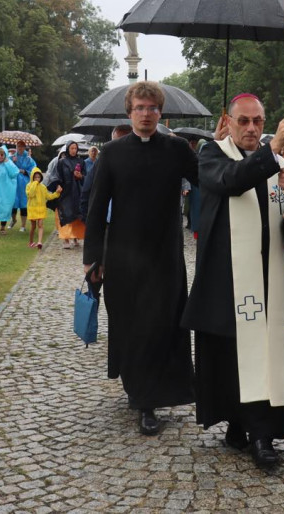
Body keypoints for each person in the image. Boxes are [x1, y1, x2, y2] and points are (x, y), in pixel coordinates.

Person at [182, 93, 284, 468]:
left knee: (263, 355)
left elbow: (279, 223)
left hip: (267, 278)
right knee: (231, 358)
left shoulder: (281, 164)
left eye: (258, 122)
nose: (252, 129)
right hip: (226, 280)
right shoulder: (212, 155)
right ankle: (237, 422)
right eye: (244, 121)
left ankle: (262, 434)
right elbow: (233, 182)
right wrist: (274, 150)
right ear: (229, 122)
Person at [84, 81, 198, 436]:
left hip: (165, 255)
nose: (146, 114)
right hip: (123, 257)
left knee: (164, 324)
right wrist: (92, 258)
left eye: (152, 108)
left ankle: (162, 390)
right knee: (134, 326)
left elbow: (208, 181)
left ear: (160, 112)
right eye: (140, 108)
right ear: (129, 112)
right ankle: (143, 400)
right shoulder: (113, 153)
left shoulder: (177, 149)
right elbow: (97, 207)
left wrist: (222, 147)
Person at [54, 141, 87, 248]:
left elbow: (86, 177)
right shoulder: (62, 162)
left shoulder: (81, 162)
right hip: (65, 191)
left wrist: (80, 176)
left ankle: (76, 237)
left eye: (75, 148)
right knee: (65, 213)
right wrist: (58, 185)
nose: (73, 150)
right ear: (68, 149)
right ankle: (66, 239)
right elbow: (57, 176)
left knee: (77, 214)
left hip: (77, 191)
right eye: (71, 148)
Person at [26, 167, 58, 249]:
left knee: (40, 225)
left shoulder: (43, 187)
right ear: (32, 177)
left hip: (41, 209)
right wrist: (34, 184)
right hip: (32, 209)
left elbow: (48, 196)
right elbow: (30, 194)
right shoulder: (29, 186)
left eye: (39, 177)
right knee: (33, 227)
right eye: (35, 177)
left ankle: (39, 242)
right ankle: (31, 241)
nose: (37, 179)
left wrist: (56, 193)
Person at [9, 141, 36, 232]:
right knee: (13, 202)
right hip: (14, 183)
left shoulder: (28, 159)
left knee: (24, 203)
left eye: (21, 146)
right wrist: (12, 162)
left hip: (24, 183)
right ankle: (13, 220)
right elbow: (7, 166)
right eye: (18, 146)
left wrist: (24, 171)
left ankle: (23, 225)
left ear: (24, 147)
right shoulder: (12, 157)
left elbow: (33, 169)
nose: (19, 148)